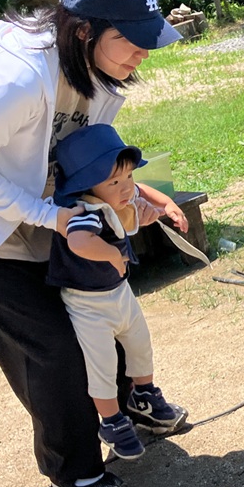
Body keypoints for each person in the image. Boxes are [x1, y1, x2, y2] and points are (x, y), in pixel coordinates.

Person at [0, 0, 186, 487]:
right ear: (84, 30)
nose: (143, 53)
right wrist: (56, 218)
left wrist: (139, 193)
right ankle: (72, 467)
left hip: (46, 210)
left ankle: (124, 408)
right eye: (133, 40)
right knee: (52, 346)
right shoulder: (17, 79)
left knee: (99, 307)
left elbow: (88, 152)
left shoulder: (97, 72)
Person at [49, 125, 189, 461]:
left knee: (140, 344)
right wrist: (112, 253)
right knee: (102, 363)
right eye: (114, 182)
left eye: (127, 177)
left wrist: (167, 203)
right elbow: (78, 241)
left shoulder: (119, 195)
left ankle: (143, 394)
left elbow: (141, 190)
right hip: (88, 304)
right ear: (87, 186)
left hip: (119, 292)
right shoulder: (86, 211)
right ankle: (110, 421)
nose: (126, 187)